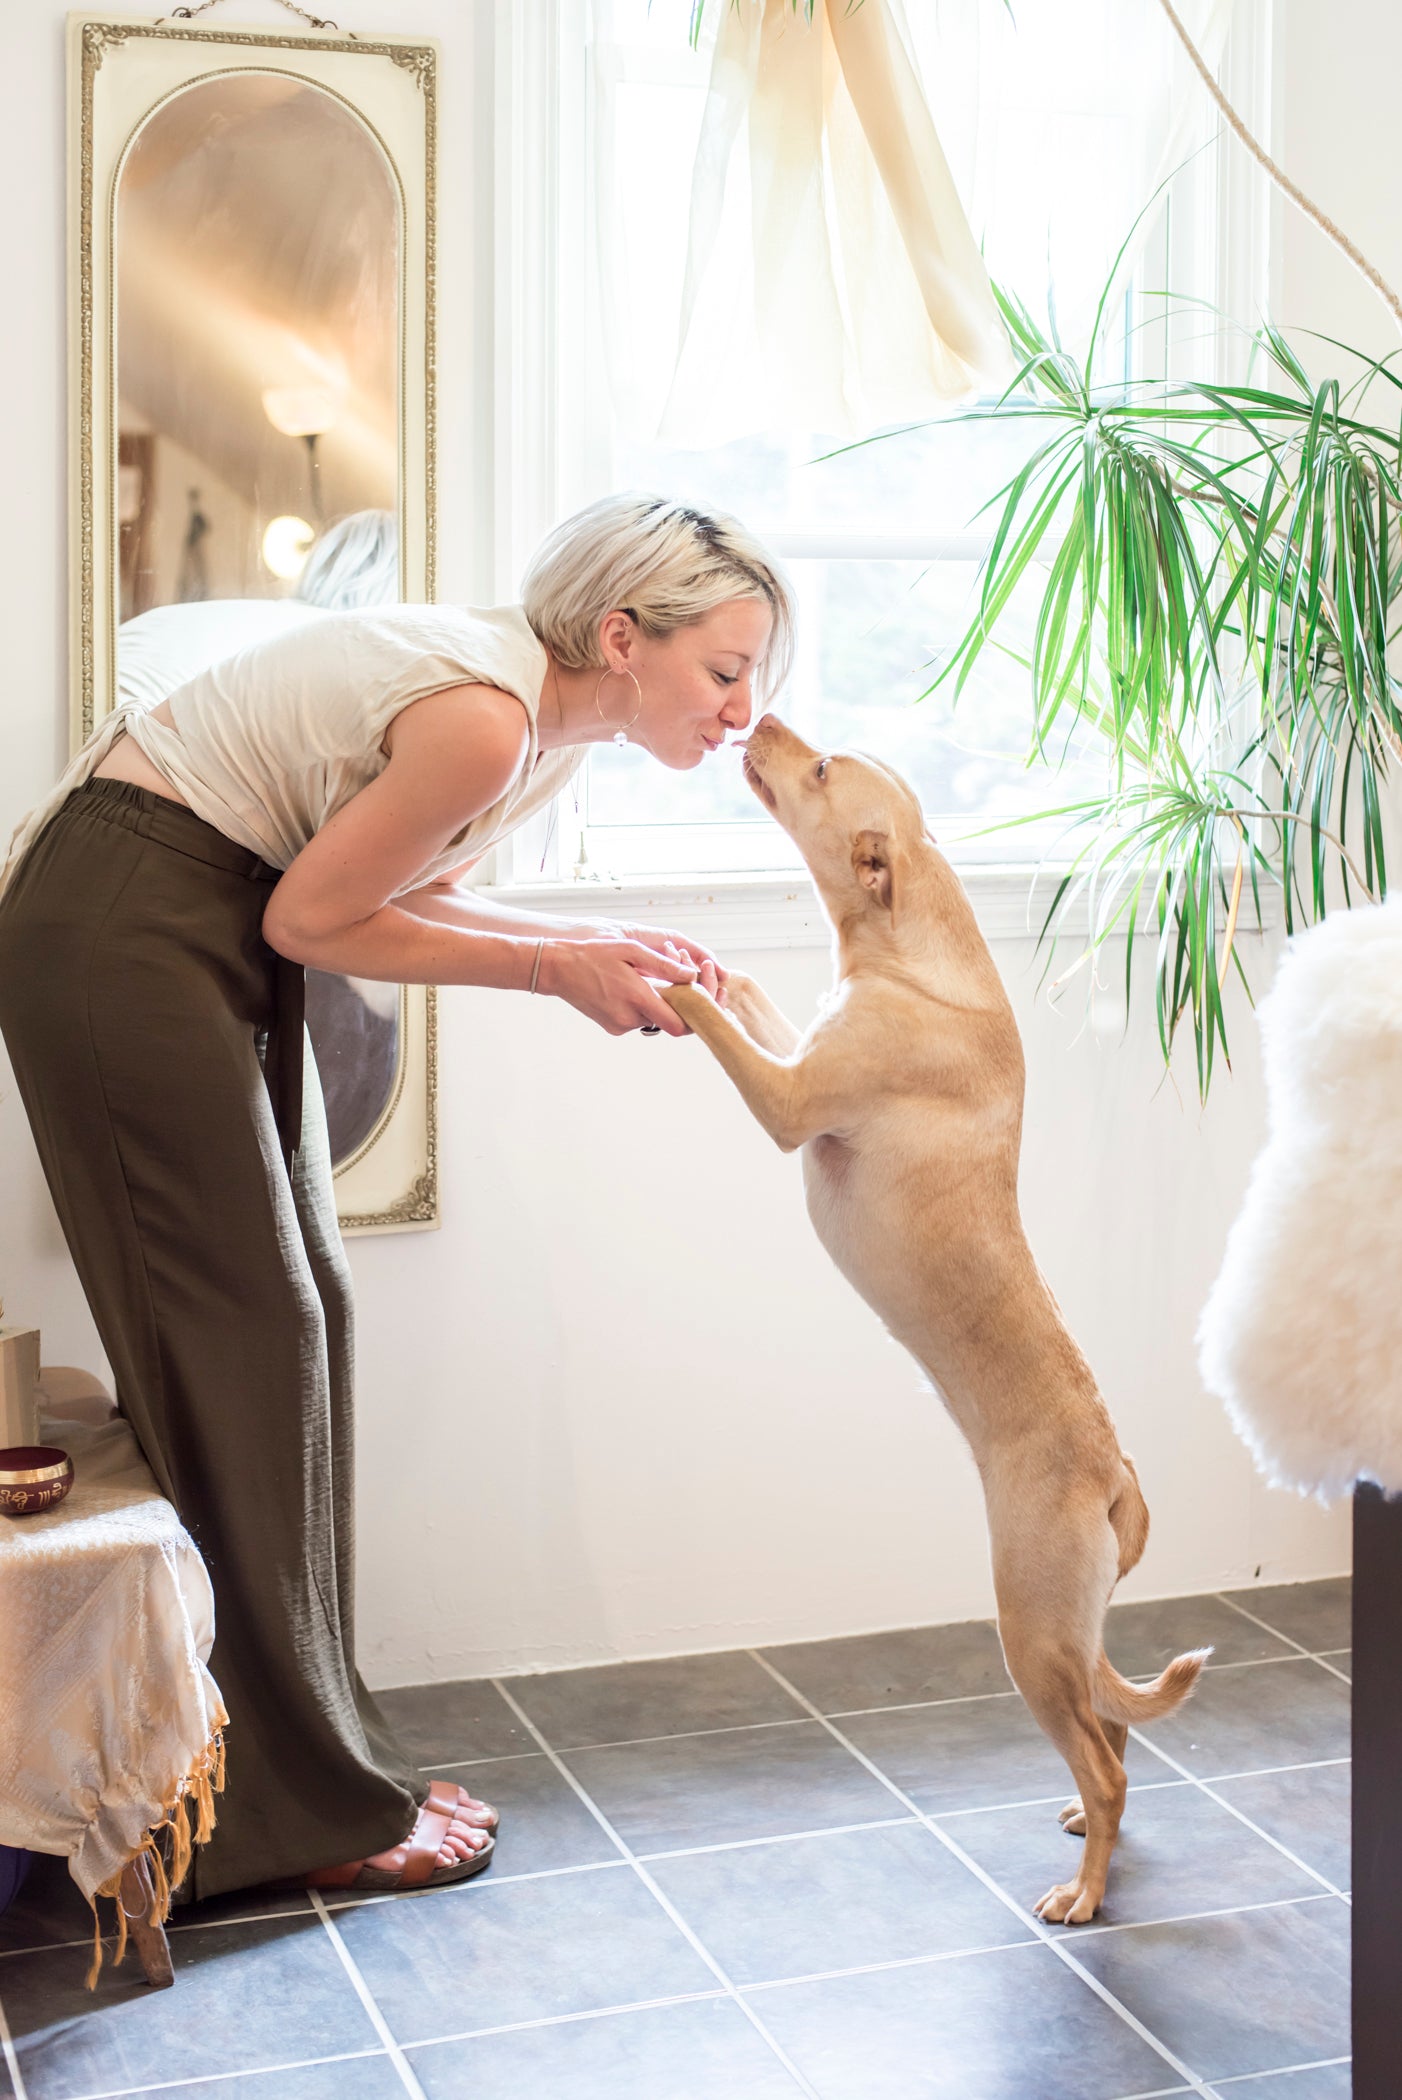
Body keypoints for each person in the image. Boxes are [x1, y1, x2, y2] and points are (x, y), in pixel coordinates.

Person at [0, 494, 794, 1898]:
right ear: (622, 637)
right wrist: (562, 972)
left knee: (307, 1320)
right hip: (128, 917)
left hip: (199, 914)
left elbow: (386, 899)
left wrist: (590, 939)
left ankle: (322, 1768)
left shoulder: (545, 733)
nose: (743, 709)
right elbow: (315, 920)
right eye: (726, 672)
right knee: (247, 1338)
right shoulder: (486, 714)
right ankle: (265, 1815)